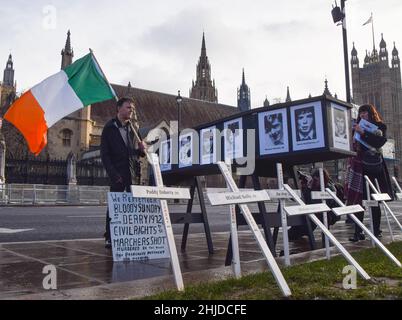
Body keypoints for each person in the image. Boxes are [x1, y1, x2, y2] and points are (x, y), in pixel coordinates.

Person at [100, 97, 146, 249]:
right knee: (115, 206)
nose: (131, 110)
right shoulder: (109, 128)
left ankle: (127, 235)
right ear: (118, 108)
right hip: (117, 173)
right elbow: (105, 155)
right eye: (128, 107)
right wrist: (113, 174)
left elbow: (136, 153)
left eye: (132, 108)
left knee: (131, 206)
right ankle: (109, 237)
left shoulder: (133, 128)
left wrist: (141, 150)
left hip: (132, 173)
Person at [344, 104, 393, 242]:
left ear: (371, 113)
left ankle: (376, 230)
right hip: (359, 166)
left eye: (365, 113)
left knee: (374, 200)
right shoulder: (356, 126)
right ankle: (358, 232)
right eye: (360, 113)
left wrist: (362, 132)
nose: (362, 115)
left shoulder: (380, 126)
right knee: (357, 201)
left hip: (373, 167)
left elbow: (380, 142)